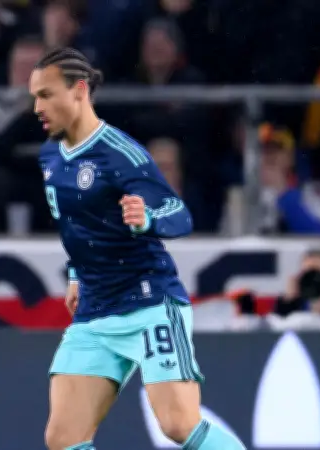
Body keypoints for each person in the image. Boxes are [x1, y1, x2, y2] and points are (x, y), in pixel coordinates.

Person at [30, 48, 246, 450]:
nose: (37, 107)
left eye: (45, 95)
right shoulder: (50, 155)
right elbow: (75, 224)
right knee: (63, 438)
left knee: (179, 424)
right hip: (95, 308)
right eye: (34, 97)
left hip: (148, 302)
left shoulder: (119, 153)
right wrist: (77, 273)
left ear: (79, 91)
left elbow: (178, 213)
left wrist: (147, 217)